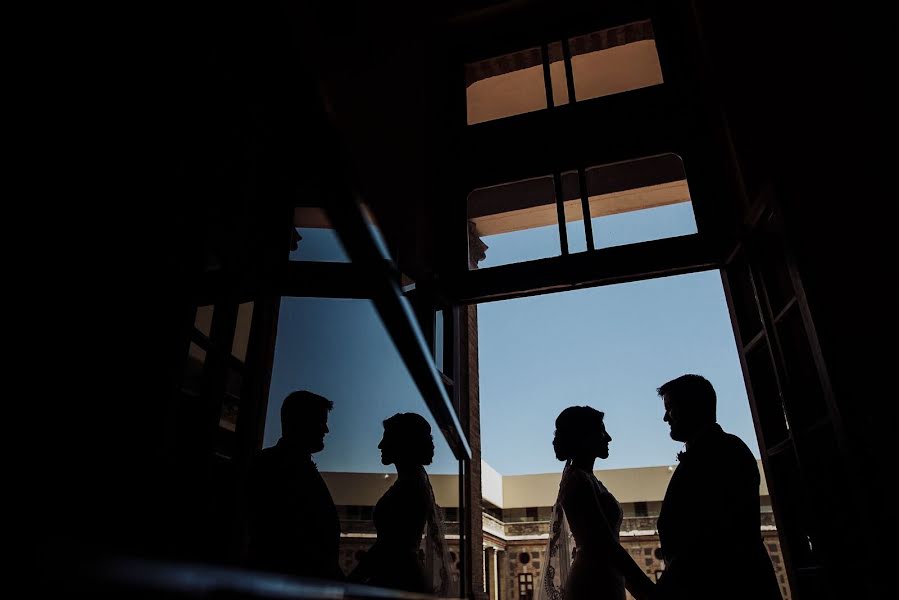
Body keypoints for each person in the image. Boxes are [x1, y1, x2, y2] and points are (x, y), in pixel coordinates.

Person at [654, 374, 781, 600]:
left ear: (692, 407)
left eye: (671, 408)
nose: (665, 418)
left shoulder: (720, 453)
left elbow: (706, 536)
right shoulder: (721, 448)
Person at [539, 406, 654, 600]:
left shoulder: (585, 479)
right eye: (602, 431)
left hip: (603, 578)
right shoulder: (579, 481)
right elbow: (606, 545)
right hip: (594, 584)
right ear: (584, 436)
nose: (608, 438)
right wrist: (648, 591)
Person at [349, 413, 451, 594]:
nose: (380, 445)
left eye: (386, 438)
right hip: (402, 577)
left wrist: (350, 582)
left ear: (403, 443)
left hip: (400, 580)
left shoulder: (410, 485)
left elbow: (388, 546)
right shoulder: (412, 481)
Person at [247, 390, 342, 580]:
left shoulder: (291, 464)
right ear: (301, 422)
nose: (326, 430)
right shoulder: (273, 467)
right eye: (321, 422)